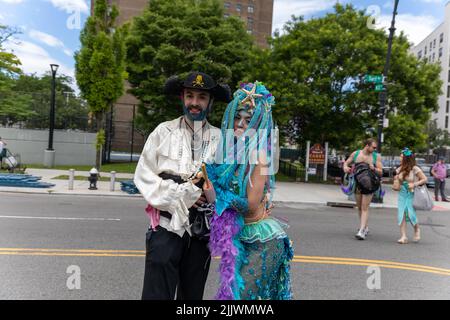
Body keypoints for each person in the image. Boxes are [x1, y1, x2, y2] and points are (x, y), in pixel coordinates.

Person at [134, 72, 231, 300]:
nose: (194, 103)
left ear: (210, 102)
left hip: (202, 233)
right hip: (167, 227)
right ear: (182, 98)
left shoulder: (221, 139)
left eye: (201, 97)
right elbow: (143, 175)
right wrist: (180, 195)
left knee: (192, 297)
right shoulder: (163, 132)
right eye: (190, 96)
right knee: (156, 294)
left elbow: (229, 184)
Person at [207, 82, 293, 300]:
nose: (241, 123)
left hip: (264, 241)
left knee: (242, 299)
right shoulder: (229, 154)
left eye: (249, 119)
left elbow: (251, 205)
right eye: (238, 117)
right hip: (241, 237)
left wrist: (218, 197)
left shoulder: (260, 157)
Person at [343, 139, 383, 240]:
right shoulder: (356, 154)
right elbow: (346, 163)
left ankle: (362, 231)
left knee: (365, 208)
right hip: (357, 184)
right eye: (373, 147)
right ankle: (365, 227)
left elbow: (381, 172)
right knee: (360, 207)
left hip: (369, 184)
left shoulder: (376, 157)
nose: (374, 149)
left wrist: (373, 168)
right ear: (367, 145)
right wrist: (345, 167)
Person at [393, 148, 427, 244]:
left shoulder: (415, 169)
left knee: (411, 214)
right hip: (402, 194)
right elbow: (397, 184)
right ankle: (403, 236)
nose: (400, 157)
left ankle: (417, 229)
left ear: (406, 158)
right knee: (401, 214)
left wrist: (414, 184)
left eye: (401, 156)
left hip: (412, 194)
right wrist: (396, 180)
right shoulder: (398, 169)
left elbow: (425, 179)